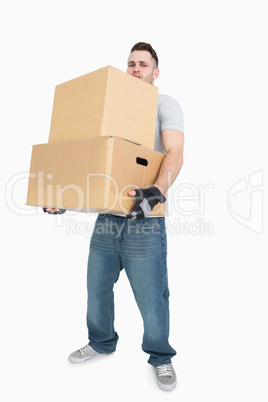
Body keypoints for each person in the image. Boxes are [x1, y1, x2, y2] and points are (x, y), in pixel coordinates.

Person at [44, 42, 184, 391]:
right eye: (131, 63)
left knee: (152, 298)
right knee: (96, 289)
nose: (136, 69)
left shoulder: (164, 105)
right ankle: (102, 341)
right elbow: (90, 159)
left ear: (155, 72)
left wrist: (155, 194)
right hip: (108, 217)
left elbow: (176, 153)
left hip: (145, 219)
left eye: (143, 64)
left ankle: (160, 356)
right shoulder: (112, 109)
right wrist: (63, 197)